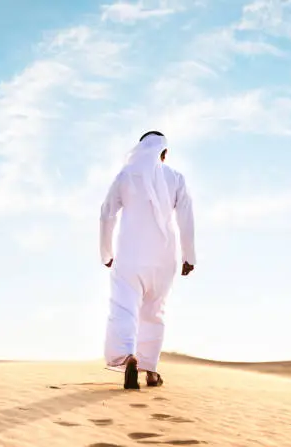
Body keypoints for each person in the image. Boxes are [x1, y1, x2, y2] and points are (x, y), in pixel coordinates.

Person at [99, 130, 196, 389]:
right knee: (154, 312)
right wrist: (189, 256)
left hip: (130, 257)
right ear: (164, 154)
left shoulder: (125, 176)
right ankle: (150, 371)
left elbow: (107, 213)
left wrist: (106, 252)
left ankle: (127, 357)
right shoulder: (175, 178)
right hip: (164, 259)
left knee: (124, 308)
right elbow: (186, 219)